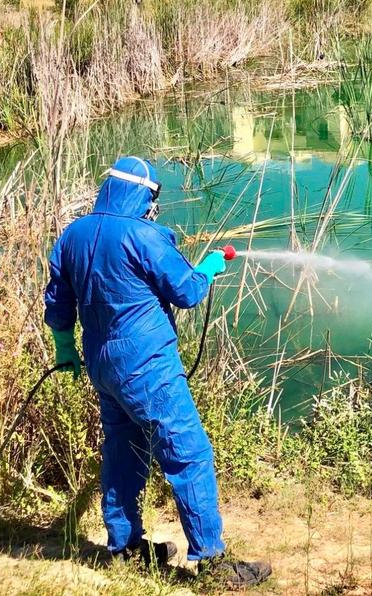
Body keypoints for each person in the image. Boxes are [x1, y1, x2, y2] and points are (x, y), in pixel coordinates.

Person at [44, 156, 270, 588]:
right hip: (147, 365)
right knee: (189, 453)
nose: (153, 207)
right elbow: (184, 291)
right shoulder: (144, 236)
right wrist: (206, 269)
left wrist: (64, 348)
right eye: (152, 198)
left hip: (101, 364)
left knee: (123, 452)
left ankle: (125, 547)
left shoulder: (73, 234)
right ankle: (214, 564)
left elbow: (58, 303)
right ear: (140, 194)